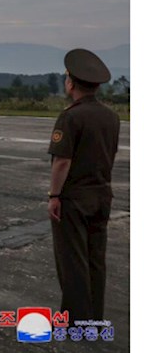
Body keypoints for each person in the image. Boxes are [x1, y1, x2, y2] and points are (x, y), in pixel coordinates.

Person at [47, 49, 119, 322]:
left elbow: (62, 161)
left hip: (75, 198)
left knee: (73, 261)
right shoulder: (111, 116)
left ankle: (75, 320)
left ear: (71, 82)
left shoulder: (71, 117)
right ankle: (94, 319)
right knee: (95, 259)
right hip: (102, 194)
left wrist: (54, 195)